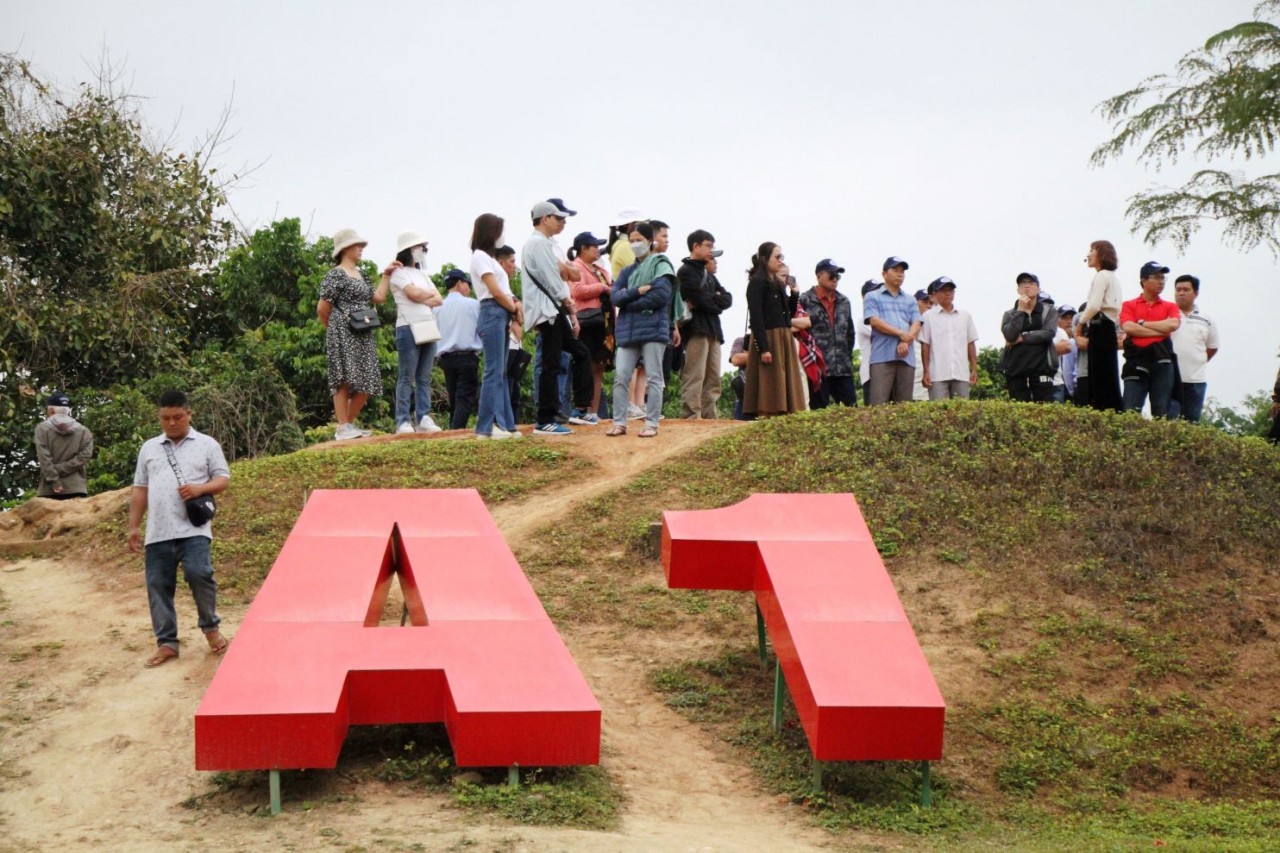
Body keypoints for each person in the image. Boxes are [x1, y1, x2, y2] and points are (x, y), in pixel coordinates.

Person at [127, 389, 230, 668]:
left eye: (177, 417)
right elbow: (140, 489)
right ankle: (167, 644)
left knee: (200, 575)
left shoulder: (207, 444)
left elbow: (222, 479)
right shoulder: (149, 448)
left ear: (189, 414)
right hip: (157, 532)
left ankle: (210, 628)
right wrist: (134, 526)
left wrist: (200, 488)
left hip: (193, 530)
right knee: (158, 586)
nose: (171, 423)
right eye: (165, 418)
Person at [522, 201, 592, 435]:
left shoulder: (542, 244)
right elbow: (553, 277)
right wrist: (566, 300)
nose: (562, 223)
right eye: (558, 218)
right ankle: (544, 419)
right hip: (548, 310)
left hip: (552, 310)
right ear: (544, 219)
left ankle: (580, 407)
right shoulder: (538, 244)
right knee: (551, 365)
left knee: (579, 353)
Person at [317, 229, 393, 440]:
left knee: (368, 380)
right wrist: (334, 330)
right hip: (341, 332)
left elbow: (378, 297)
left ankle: (346, 426)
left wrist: (386, 275)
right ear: (345, 248)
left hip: (363, 330)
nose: (361, 249)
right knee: (342, 378)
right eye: (357, 245)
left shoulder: (362, 274)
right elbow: (322, 308)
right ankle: (343, 427)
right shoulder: (335, 274)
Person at [607, 221, 674, 437]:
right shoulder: (627, 271)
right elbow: (615, 297)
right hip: (628, 332)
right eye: (632, 240)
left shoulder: (661, 265)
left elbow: (661, 295)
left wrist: (629, 302)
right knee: (621, 376)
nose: (635, 244)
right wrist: (637, 291)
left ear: (649, 241)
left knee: (654, 377)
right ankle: (619, 422)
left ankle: (652, 423)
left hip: (654, 330)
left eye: (639, 240)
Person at [469, 213, 522, 440]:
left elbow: (504, 291)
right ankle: (487, 428)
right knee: (493, 372)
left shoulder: (489, 258)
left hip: (500, 311)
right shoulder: (480, 256)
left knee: (500, 373)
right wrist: (513, 308)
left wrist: (513, 307)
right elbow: (495, 290)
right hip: (492, 310)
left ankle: (505, 424)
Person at [388, 230, 444, 435]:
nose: (423, 251)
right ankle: (402, 420)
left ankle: (424, 417)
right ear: (408, 250)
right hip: (407, 327)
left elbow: (438, 299)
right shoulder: (398, 272)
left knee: (424, 376)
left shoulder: (422, 274)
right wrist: (422, 295)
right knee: (406, 376)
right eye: (420, 248)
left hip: (427, 325)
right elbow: (411, 293)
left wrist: (421, 295)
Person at [743, 242, 806, 417]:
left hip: (783, 335)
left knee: (785, 379)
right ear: (765, 259)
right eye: (777, 257)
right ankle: (766, 416)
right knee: (769, 381)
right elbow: (756, 317)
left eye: (781, 257)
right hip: (769, 336)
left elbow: (788, 313)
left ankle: (784, 414)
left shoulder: (777, 283)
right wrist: (763, 347)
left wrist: (794, 294)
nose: (780, 261)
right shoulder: (757, 283)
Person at [677, 229, 732, 418]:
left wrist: (713, 301)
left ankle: (710, 417)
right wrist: (714, 301)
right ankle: (692, 416)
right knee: (695, 375)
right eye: (708, 245)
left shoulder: (708, 274)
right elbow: (701, 299)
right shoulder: (685, 271)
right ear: (696, 246)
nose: (711, 250)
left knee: (713, 378)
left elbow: (727, 298)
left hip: (714, 331)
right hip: (695, 330)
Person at [1120, 261, 1181, 418]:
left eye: (1163, 277)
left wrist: (1143, 323)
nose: (1161, 281)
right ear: (1144, 280)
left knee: (1162, 411)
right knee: (1130, 411)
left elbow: (1173, 325)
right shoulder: (1129, 305)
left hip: (1162, 361)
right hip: (1136, 361)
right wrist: (1160, 332)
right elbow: (1129, 328)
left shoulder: (1170, 306)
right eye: (1156, 277)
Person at [568, 231, 614, 424]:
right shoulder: (575, 266)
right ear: (583, 249)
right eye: (594, 246)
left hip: (604, 323)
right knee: (586, 365)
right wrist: (602, 288)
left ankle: (593, 412)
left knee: (599, 367)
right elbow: (577, 291)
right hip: (587, 321)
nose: (598, 250)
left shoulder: (598, 269)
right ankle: (583, 408)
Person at [798, 259, 857, 408]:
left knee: (852, 412)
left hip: (842, 369)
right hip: (817, 368)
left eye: (838, 276)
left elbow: (850, 333)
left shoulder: (844, 301)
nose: (835, 279)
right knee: (818, 413)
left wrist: (845, 356)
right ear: (819, 276)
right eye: (831, 275)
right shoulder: (805, 300)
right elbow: (800, 334)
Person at [864, 257, 921, 404]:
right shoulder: (872, 296)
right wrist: (901, 334)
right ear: (884, 274)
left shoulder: (910, 299)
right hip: (882, 356)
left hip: (906, 357)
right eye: (895, 270)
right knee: (879, 405)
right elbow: (874, 321)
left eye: (902, 271)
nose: (899, 274)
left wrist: (905, 340)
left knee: (904, 407)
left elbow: (917, 322)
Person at [1077, 240, 1124, 411]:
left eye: (1092, 250)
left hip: (1100, 326)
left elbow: (1094, 305)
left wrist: (1081, 322)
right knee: (1108, 372)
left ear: (1101, 254)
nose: (1088, 255)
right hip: (1109, 326)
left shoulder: (1102, 275)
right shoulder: (1113, 278)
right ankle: (1112, 409)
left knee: (1099, 373)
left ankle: (1101, 409)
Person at [434, 268, 482, 430]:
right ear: (459, 283)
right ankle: (456, 431)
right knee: (465, 397)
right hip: (467, 357)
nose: (469, 287)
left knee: (454, 397)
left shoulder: (437, 307)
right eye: (467, 283)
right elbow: (482, 329)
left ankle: (452, 431)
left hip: (446, 359)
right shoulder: (474, 304)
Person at [1000, 273, 1060, 402]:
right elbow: (1010, 336)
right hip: (1016, 369)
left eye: (1031, 283)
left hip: (1042, 368)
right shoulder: (1009, 314)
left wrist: (1023, 337)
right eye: (1023, 283)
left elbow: (1049, 332)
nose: (1027, 286)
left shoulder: (1048, 310)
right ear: (1018, 289)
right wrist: (1020, 310)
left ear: (1038, 288)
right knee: (1019, 411)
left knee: (1044, 410)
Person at [1169, 274, 1221, 423]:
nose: (1181, 293)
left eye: (1186, 289)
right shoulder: (1167, 316)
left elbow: (1213, 346)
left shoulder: (1206, 319)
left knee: (1190, 424)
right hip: (1169, 379)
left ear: (1196, 293)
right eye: (1178, 289)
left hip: (1195, 380)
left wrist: (1199, 360)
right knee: (1168, 423)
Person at [918, 277, 979, 399]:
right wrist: (926, 371)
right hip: (937, 374)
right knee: (938, 413)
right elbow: (925, 345)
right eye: (943, 290)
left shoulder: (965, 316)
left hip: (961, 373)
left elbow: (970, 343)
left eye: (951, 290)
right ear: (934, 294)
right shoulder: (928, 316)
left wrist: (973, 368)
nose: (948, 293)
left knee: (962, 412)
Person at [34, 391, 93, 499]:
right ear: (68, 411)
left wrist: (55, 480)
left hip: (49, 490)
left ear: (51, 410)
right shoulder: (84, 431)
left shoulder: (42, 429)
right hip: (76, 489)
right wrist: (61, 468)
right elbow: (85, 456)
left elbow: (44, 458)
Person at [497, 246, 532, 421]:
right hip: (508, 344)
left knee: (514, 390)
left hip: (515, 343)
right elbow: (515, 308)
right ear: (501, 263)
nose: (514, 266)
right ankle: (503, 421)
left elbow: (520, 310)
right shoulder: (497, 283)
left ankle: (510, 421)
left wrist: (516, 317)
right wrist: (515, 314)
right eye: (511, 262)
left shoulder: (506, 286)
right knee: (506, 384)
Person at [857, 280, 881, 403]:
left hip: (889, 373)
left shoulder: (887, 317)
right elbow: (882, 334)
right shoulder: (863, 319)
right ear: (863, 297)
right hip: (871, 375)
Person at [608, 207, 644, 279]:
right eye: (639, 224)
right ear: (628, 225)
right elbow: (641, 274)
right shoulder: (625, 246)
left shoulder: (622, 244)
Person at [912, 288, 934, 401]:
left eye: (931, 303)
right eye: (925, 302)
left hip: (932, 387)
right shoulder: (905, 326)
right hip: (912, 388)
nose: (929, 306)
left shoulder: (937, 329)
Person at [1055, 302, 1078, 402]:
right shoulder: (1053, 340)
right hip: (1056, 385)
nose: (1069, 321)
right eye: (1064, 318)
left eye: (1072, 318)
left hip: (1075, 390)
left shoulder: (1080, 343)